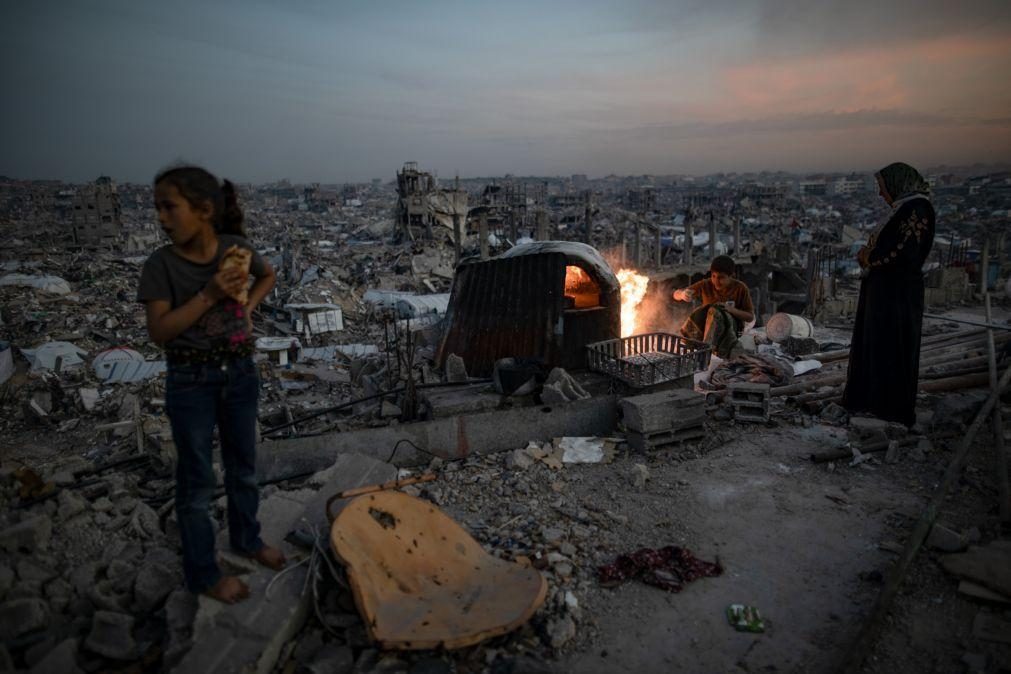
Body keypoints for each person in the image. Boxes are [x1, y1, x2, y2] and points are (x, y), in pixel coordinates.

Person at [137, 165, 284, 603]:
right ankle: (203, 572)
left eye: (169, 207)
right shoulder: (161, 265)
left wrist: (249, 309)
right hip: (190, 380)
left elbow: (268, 274)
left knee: (243, 466)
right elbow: (160, 330)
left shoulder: (235, 248)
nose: (162, 218)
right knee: (197, 480)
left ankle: (247, 539)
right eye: (157, 207)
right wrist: (212, 295)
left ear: (203, 210)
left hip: (238, 371)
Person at [842, 162, 935, 427]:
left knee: (892, 346)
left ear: (897, 185)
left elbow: (903, 252)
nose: (882, 195)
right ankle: (872, 400)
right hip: (885, 291)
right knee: (876, 344)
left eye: (883, 188)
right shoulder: (905, 210)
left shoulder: (917, 210)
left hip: (897, 295)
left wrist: (869, 257)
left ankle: (890, 406)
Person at [672, 255, 755, 358]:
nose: (716, 281)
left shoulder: (740, 288)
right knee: (701, 312)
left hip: (731, 329)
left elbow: (750, 316)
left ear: (731, 276)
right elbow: (675, 295)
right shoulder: (706, 284)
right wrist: (683, 294)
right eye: (713, 276)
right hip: (707, 329)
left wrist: (731, 310)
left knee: (715, 311)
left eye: (721, 278)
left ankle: (706, 350)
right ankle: (694, 347)